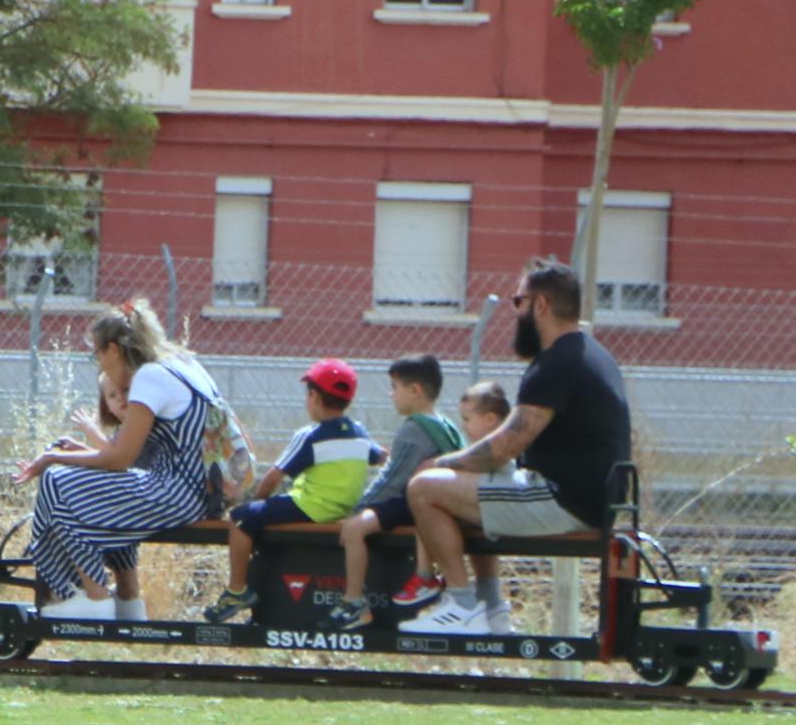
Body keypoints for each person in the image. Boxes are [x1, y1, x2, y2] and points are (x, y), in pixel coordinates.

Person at [402, 259, 632, 636]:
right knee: (470, 489)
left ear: (540, 305)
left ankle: (461, 607)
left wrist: (441, 462)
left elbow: (503, 448)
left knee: (425, 488)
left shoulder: (556, 364)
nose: (515, 312)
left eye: (517, 301)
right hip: (589, 496)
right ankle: (492, 608)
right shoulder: (591, 353)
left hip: (565, 501)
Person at [15, 306, 220, 622]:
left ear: (112, 349)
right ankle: (127, 600)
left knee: (57, 478)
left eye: (97, 355)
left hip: (180, 494)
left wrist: (53, 457)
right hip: (199, 492)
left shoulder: (150, 376)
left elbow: (121, 459)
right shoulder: (182, 365)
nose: (100, 365)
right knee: (101, 489)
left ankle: (91, 597)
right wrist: (83, 453)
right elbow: (128, 458)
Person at [226, 358, 381, 598]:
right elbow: (380, 457)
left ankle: (236, 590)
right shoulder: (360, 433)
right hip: (343, 509)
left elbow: (273, 477)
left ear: (315, 398)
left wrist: (255, 505)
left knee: (239, 519)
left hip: (309, 507)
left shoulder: (310, 435)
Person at [333, 354, 466, 608]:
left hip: (416, 502)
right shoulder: (445, 423)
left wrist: (360, 509)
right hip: (444, 503)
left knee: (353, 530)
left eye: (395, 387)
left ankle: (353, 602)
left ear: (415, 390)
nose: (390, 394)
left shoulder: (414, 429)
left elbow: (392, 479)